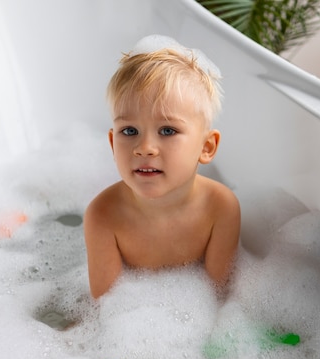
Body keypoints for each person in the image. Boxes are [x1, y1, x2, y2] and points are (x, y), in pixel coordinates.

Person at [84, 36, 240, 299]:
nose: (144, 147)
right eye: (129, 130)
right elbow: (106, 309)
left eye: (167, 130)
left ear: (206, 147)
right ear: (112, 143)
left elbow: (220, 299)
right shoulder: (102, 216)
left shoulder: (220, 207)